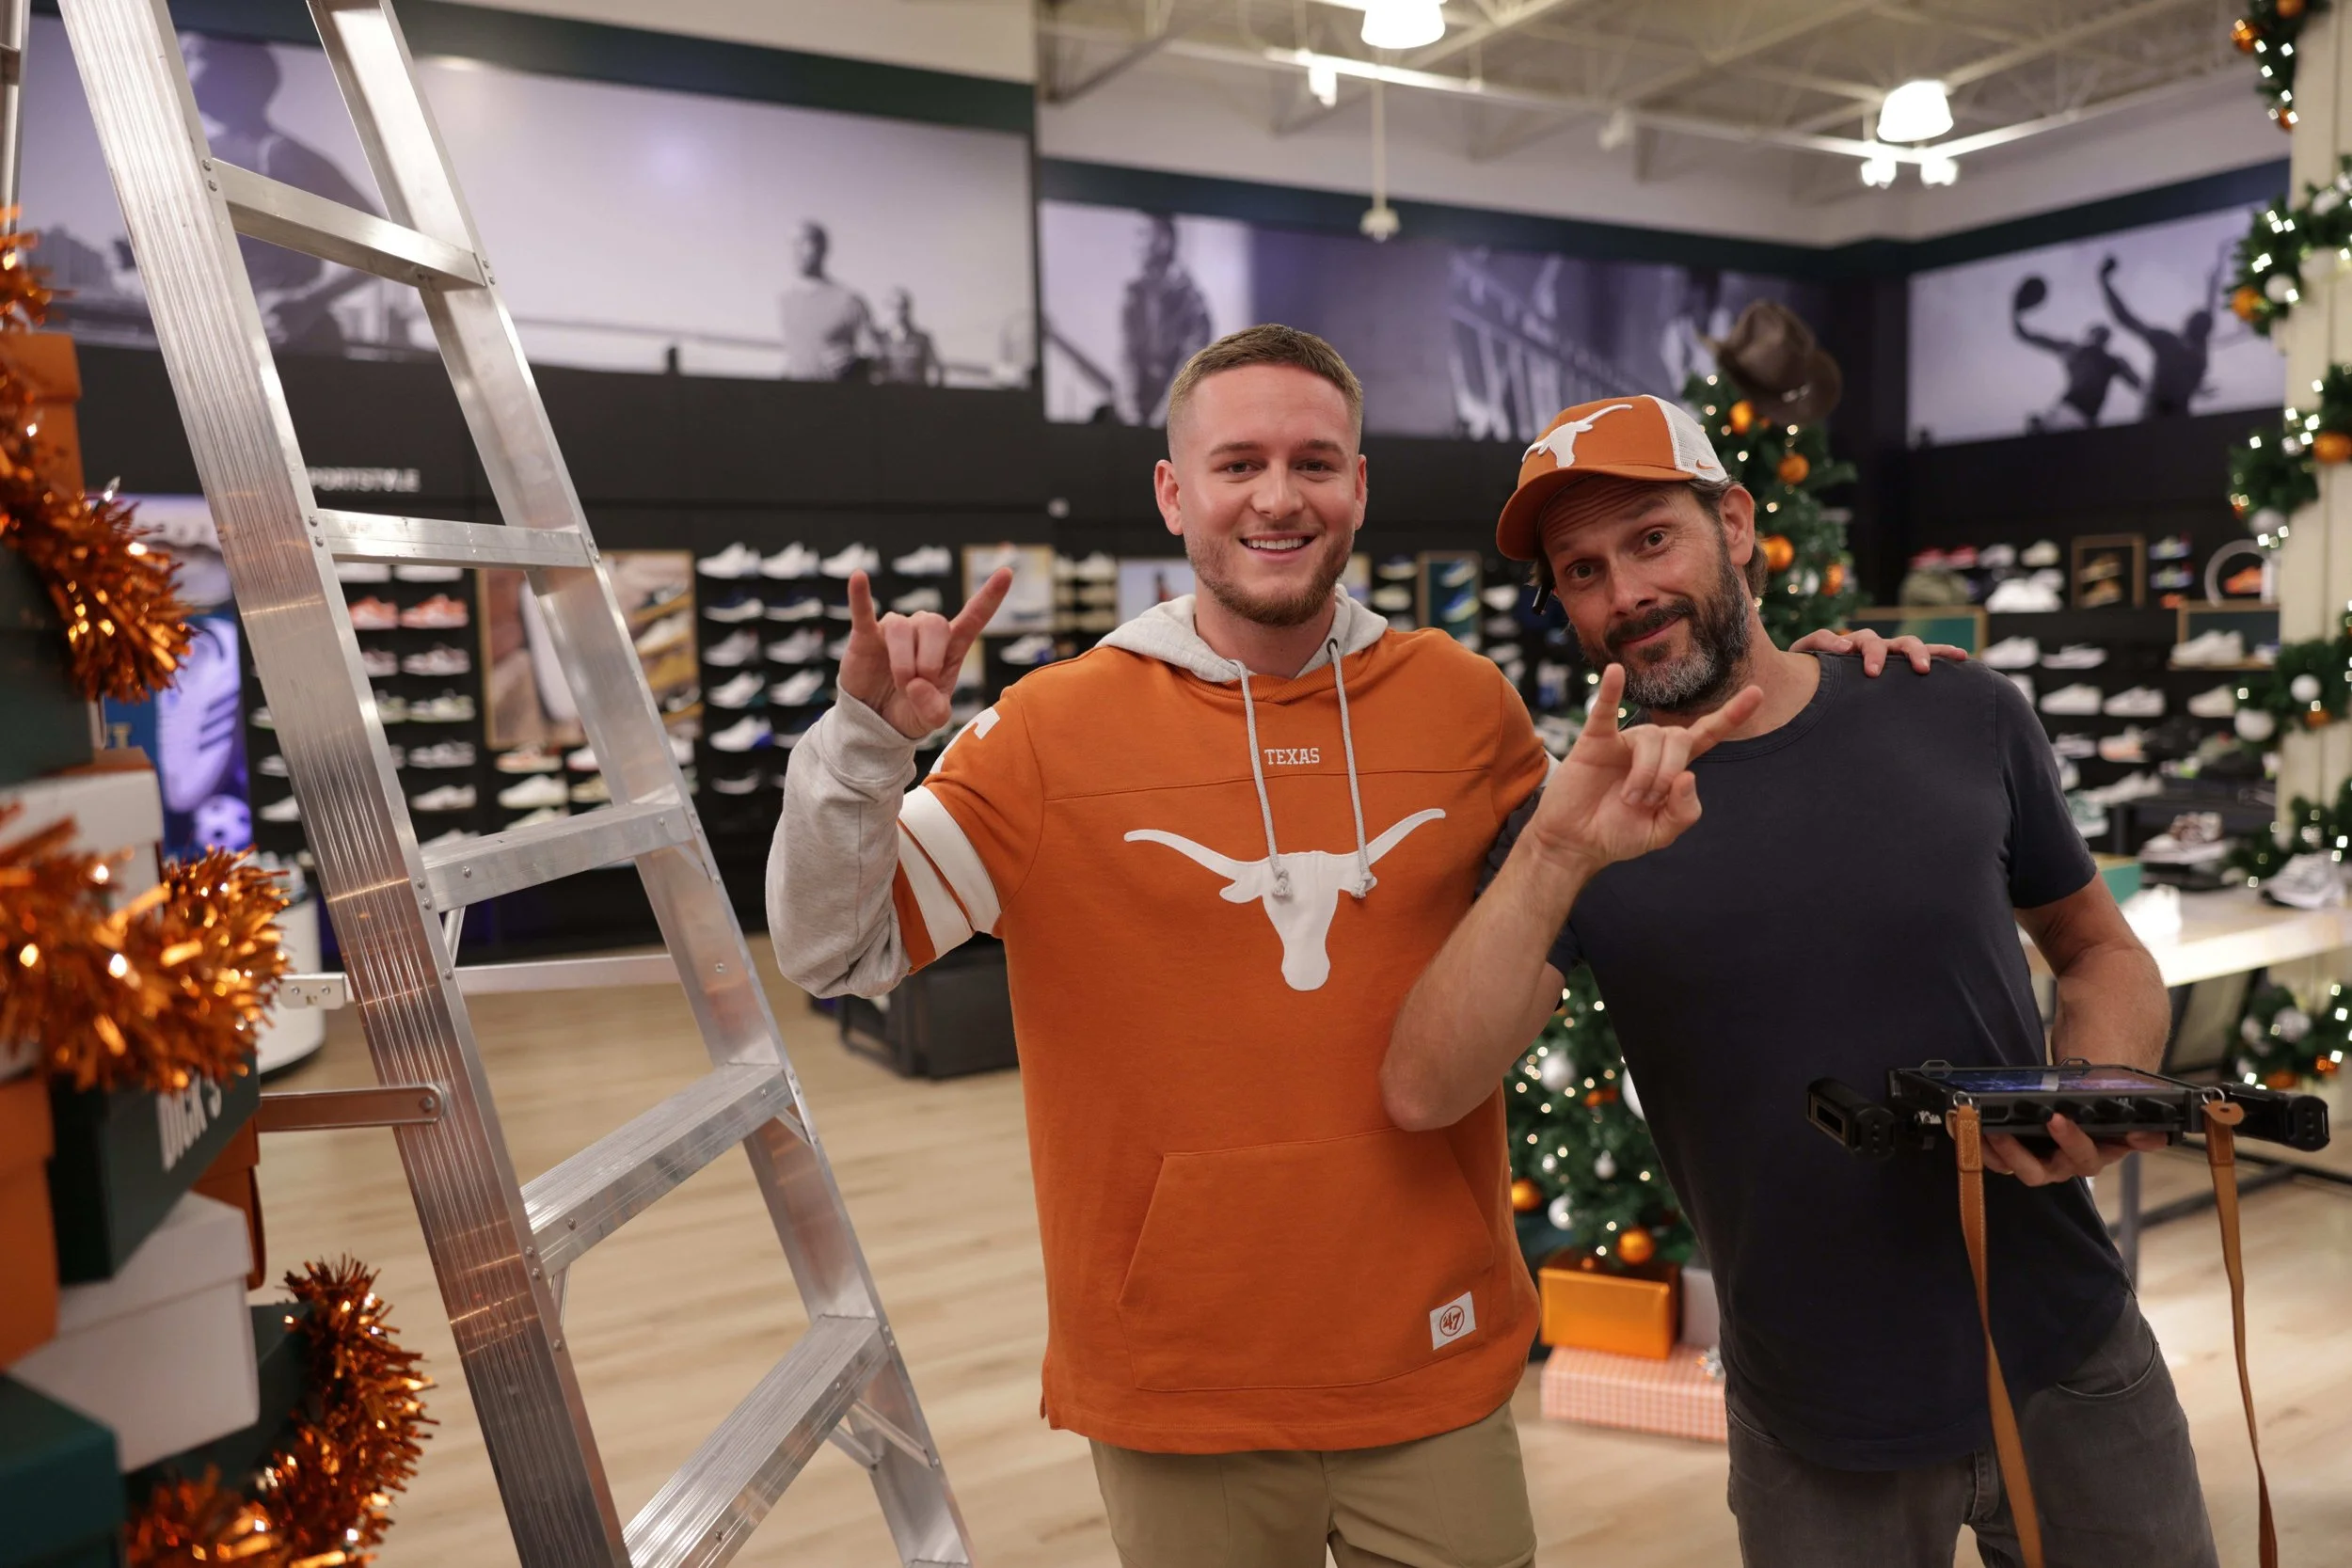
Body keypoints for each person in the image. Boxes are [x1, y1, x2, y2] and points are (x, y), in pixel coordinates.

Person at [768, 331, 1945, 1568]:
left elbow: (1624, 842)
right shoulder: (1051, 728)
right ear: (1176, 493)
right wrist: (862, 747)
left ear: (1359, 487)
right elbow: (837, 947)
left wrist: (1843, 692)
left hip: (1433, 1349)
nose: (1279, 495)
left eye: (1313, 461)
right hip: (1182, 1375)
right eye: (1239, 463)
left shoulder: (1464, 701)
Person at [1383, 393, 2210, 1568]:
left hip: (2070, 1353)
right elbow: (1426, 1086)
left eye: (1650, 539)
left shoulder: (1956, 709)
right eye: (1580, 569)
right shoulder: (1577, 826)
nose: (1622, 594)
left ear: (1735, 522)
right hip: (1815, 1413)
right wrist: (1558, 851)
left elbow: (2097, 947)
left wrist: (2101, 1077)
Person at [186, 36, 378, 352]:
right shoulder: (201, 153)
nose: (178, 62)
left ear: (233, 72)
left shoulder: (279, 154)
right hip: (223, 342)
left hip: (291, 347)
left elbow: (378, 246)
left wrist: (308, 302)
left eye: (193, 54)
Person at [1120, 214, 1212, 424]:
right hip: (1136, 415)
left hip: (1177, 418)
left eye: (1142, 234)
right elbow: (1126, 356)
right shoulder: (1133, 295)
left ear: (1164, 240)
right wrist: (1129, 412)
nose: (1135, 243)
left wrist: (1163, 417)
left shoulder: (1192, 300)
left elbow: (1192, 365)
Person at [2010, 280, 2139, 430]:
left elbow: (2141, 386)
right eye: (2097, 331)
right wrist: (2015, 314)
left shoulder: (2114, 361)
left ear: (2106, 339)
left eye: (2103, 333)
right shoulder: (2075, 350)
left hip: (2081, 417)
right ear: (2089, 334)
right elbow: (2025, 335)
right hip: (2069, 411)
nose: (2100, 335)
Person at [2099, 255, 2214, 420]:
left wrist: (2104, 283)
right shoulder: (2200, 360)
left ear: (2186, 323)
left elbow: (2124, 317)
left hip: (2153, 417)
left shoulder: (2169, 343)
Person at [780, 221, 877, 381]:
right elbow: (796, 355)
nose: (796, 250)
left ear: (823, 248)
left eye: (804, 242)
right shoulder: (785, 301)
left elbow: (875, 352)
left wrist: (855, 362)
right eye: (792, 244)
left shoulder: (849, 300)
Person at [871, 287, 944, 387]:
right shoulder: (877, 339)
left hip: (915, 395)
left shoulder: (922, 339)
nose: (899, 312)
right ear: (887, 308)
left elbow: (934, 368)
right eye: (894, 306)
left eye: (903, 307)